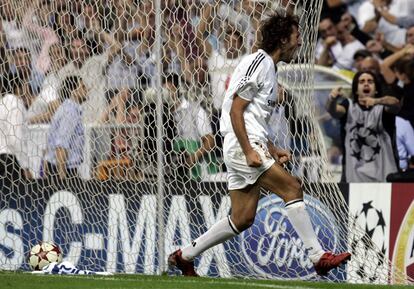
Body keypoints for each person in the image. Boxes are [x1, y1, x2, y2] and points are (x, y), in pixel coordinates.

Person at [168, 12, 351, 277]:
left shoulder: (268, 67)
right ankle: (318, 256)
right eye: (297, 37)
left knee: (242, 218)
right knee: (292, 187)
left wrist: (271, 147)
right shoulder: (259, 62)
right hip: (243, 145)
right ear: (284, 38)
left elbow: (250, 115)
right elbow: (235, 110)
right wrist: (249, 150)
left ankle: (184, 255)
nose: (300, 42)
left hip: (247, 143)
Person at [326, 71, 400, 182]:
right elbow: (333, 111)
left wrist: (376, 101)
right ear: (356, 89)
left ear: (376, 89)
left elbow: (395, 103)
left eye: (370, 81)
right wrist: (332, 99)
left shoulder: (383, 108)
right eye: (362, 82)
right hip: (354, 178)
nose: (366, 84)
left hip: (384, 177)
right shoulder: (348, 106)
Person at [44, 75, 88, 181]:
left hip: (59, 168)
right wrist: (62, 180)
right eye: (82, 87)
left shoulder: (67, 108)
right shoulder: (70, 112)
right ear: (73, 91)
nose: (86, 89)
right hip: (63, 170)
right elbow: (61, 146)